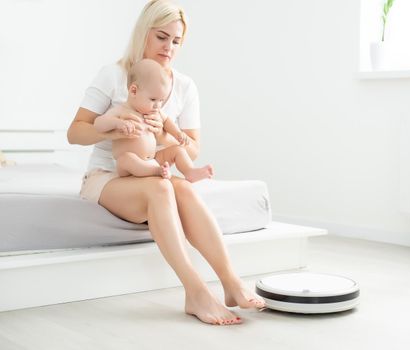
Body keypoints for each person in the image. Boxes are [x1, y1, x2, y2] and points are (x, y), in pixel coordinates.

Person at [67, 0, 265, 326]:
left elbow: (192, 147)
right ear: (144, 32)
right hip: (108, 175)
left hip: (152, 168)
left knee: (182, 189)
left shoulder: (185, 86)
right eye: (162, 37)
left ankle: (231, 283)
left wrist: (165, 137)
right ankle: (196, 291)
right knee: (162, 188)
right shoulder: (115, 75)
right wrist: (114, 125)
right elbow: (75, 133)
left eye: (176, 41)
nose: (169, 47)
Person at [93, 58, 213, 182]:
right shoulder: (122, 110)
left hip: (153, 159)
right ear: (133, 91)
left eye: (161, 100)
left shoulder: (156, 112)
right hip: (127, 167)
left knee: (178, 150)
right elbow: (98, 124)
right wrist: (118, 123)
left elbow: (167, 122)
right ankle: (156, 171)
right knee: (126, 158)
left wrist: (178, 134)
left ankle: (190, 171)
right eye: (153, 99)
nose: (158, 105)